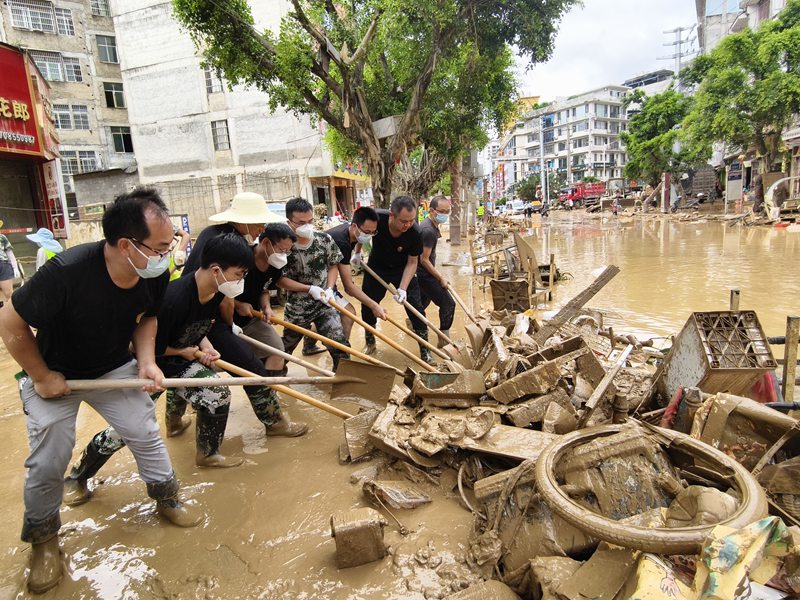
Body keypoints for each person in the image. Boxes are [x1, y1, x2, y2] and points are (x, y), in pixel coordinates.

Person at [0, 188, 202, 594]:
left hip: (112, 367)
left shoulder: (154, 272)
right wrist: (40, 375)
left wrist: (147, 362)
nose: (168, 256)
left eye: (170, 247)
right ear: (126, 245)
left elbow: (147, 318)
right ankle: (43, 539)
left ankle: (167, 498)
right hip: (54, 373)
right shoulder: (66, 271)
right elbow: (9, 321)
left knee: (144, 430)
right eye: (161, 247)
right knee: (50, 454)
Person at [62, 233, 254, 507]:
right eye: (239, 274)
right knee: (126, 429)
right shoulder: (173, 299)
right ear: (216, 271)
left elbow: (197, 327)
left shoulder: (215, 292)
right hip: (148, 366)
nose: (240, 280)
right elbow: (139, 345)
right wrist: (182, 352)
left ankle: (208, 453)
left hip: (181, 362)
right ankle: (77, 476)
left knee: (217, 394)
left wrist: (207, 347)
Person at [183, 194, 308, 438]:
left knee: (182, 366)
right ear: (244, 220)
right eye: (258, 223)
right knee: (251, 368)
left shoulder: (215, 233)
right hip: (207, 317)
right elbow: (224, 292)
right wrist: (230, 324)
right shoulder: (231, 243)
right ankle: (274, 422)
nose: (261, 228)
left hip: (200, 314)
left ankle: (174, 422)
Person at [353, 196, 430, 361]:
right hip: (377, 266)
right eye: (403, 221)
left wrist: (402, 288)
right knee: (368, 304)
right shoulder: (377, 218)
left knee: (416, 307)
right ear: (391, 215)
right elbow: (362, 232)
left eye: (411, 220)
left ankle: (425, 350)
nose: (407, 225)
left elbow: (412, 263)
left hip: (402, 269)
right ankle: (370, 342)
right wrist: (357, 252)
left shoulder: (415, 233)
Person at [278, 197, 350, 369]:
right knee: (284, 350)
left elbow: (333, 265)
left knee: (340, 345)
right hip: (298, 308)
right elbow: (279, 280)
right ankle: (274, 378)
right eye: (301, 223)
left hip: (324, 303)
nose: (307, 226)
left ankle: (343, 379)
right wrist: (309, 289)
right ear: (289, 222)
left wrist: (330, 289)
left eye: (310, 221)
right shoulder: (284, 247)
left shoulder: (324, 240)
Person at [230, 222, 296, 372]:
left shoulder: (275, 265)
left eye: (287, 252)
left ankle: (270, 385)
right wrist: (238, 305)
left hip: (251, 319)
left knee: (277, 351)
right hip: (225, 321)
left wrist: (266, 307)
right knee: (236, 362)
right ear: (266, 242)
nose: (283, 256)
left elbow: (264, 289)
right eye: (282, 250)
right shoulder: (241, 258)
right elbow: (218, 290)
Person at [325, 206, 387, 340]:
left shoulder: (352, 232)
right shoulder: (341, 242)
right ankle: (342, 351)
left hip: (327, 279)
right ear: (354, 226)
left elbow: (360, 239)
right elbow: (348, 287)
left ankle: (310, 345)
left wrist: (357, 253)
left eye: (373, 232)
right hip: (318, 283)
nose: (369, 236)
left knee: (343, 314)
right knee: (348, 314)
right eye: (367, 232)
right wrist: (374, 305)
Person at [416, 195, 456, 350]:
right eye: (442, 211)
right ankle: (444, 339)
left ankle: (412, 322)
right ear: (432, 211)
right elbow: (424, 260)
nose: (445, 214)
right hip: (424, 274)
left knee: (421, 303)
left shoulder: (430, 225)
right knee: (448, 303)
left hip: (419, 272)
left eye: (447, 211)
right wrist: (440, 278)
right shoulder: (428, 230)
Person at [0, 220, 21, 305]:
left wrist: (15, 267)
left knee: (9, 294)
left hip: (3, 265)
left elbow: (9, 253)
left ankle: (13, 310)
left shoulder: (2, 237)